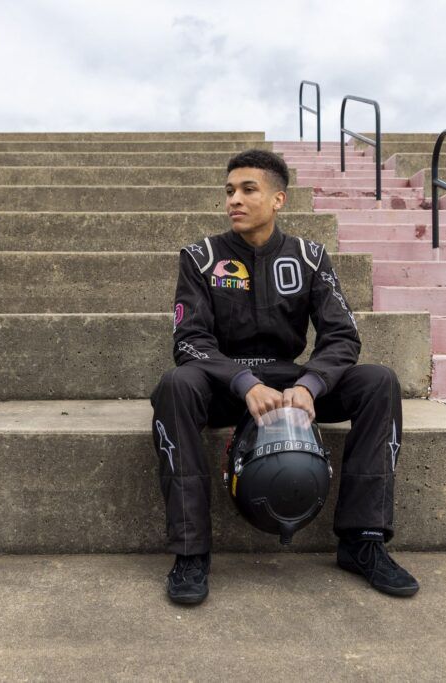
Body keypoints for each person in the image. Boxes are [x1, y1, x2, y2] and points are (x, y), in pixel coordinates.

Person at [150, 149, 419, 605]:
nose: (234, 199)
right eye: (229, 191)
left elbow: (343, 336)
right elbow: (189, 340)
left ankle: (362, 541)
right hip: (224, 384)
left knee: (379, 382)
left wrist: (309, 385)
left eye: (247, 190)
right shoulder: (200, 257)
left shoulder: (309, 257)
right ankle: (191, 551)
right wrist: (243, 383)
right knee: (175, 386)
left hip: (292, 384)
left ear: (278, 199)